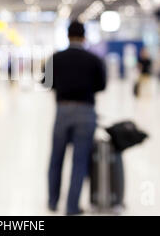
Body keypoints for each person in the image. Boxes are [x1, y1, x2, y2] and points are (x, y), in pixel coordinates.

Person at [43, 19, 107, 215]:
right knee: (79, 161)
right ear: (84, 36)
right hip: (86, 111)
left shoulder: (56, 58)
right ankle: (71, 207)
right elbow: (101, 86)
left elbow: (46, 83)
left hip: (63, 110)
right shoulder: (94, 59)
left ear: (67, 36)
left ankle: (53, 203)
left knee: (56, 158)